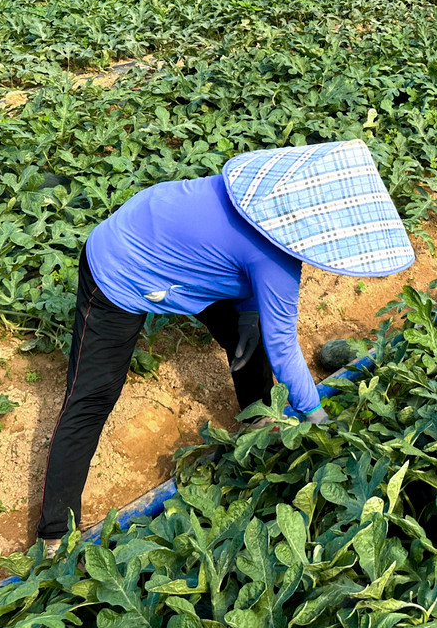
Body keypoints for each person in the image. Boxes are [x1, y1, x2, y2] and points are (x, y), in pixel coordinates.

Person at [37, 139, 414, 555]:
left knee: (245, 334)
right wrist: (319, 420)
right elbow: (285, 346)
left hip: (173, 236)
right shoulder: (274, 260)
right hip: (121, 263)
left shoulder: (261, 212)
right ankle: (55, 533)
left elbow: (251, 291)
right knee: (92, 396)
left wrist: (251, 316)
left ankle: (260, 421)